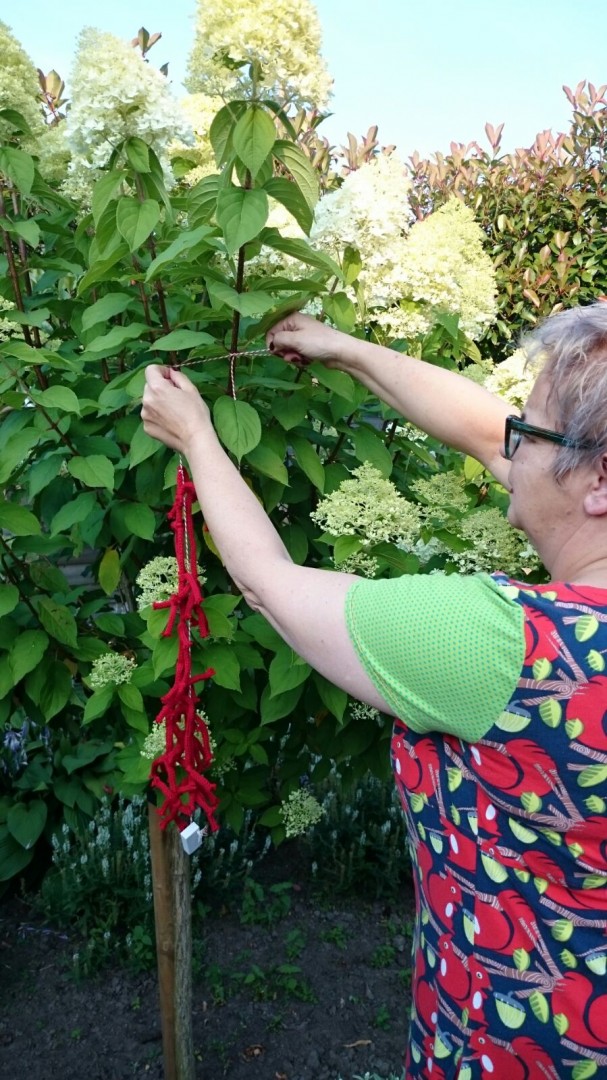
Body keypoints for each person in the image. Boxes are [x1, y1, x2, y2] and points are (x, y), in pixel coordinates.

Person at [142, 304, 607, 1079]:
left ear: (596, 482)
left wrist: (196, 437)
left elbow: (270, 585)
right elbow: (475, 428)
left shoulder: (501, 647)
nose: (506, 442)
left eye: (526, 431)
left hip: (522, 1044)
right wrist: (345, 350)